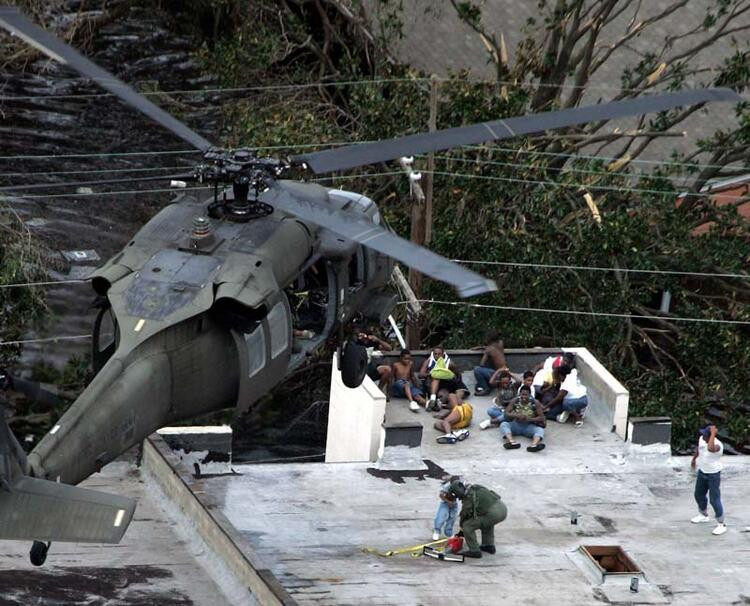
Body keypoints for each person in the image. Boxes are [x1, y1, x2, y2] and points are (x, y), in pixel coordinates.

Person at [447, 479, 507, 558]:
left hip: (493, 514)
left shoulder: (468, 496)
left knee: (467, 526)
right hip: (502, 509)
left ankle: (474, 550)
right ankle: (488, 546)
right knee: (486, 521)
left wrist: (462, 530)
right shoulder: (475, 487)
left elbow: (465, 514)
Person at [690, 424, 727, 536]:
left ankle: (721, 524)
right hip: (702, 472)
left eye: (706, 436)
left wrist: (713, 434)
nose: (703, 437)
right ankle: (703, 515)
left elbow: (710, 448)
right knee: (698, 494)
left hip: (713, 475)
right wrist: (694, 459)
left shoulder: (718, 445)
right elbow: (699, 449)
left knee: (714, 499)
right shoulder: (702, 439)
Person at [499, 385, 546, 452]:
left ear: (530, 395)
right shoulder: (515, 400)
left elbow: (542, 418)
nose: (524, 397)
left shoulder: (535, 402)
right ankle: (512, 442)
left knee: (540, 430)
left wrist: (528, 419)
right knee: (504, 424)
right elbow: (506, 413)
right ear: (519, 394)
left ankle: (534, 445)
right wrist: (516, 415)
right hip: (516, 424)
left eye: (526, 395)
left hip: (528, 426)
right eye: (522, 394)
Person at [419, 346, 465, 410]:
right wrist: (430, 374)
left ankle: (439, 404)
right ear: (433, 354)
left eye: (439, 354)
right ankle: (433, 398)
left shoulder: (449, 363)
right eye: (435, 354)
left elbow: (458, 374)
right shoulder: (428, 361)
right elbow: (420, 375)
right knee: (436, 378)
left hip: (444, 385)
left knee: (443, 395)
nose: (437, 355)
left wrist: (450, 377)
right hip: (431, 384)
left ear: (443, 354)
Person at [356, 328, 392, 396]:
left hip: (369, 368)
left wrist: (378, 340)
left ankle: (379, 390)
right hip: (358, 368)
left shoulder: (372, 343)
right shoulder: (356, 342)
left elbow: (389, 348)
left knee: (387, 369)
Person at [432, 475, 459, 541]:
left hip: (454, 503)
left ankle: (449, 533)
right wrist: (448, 502)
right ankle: (437, 532)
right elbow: (441, 495)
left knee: (452, 518)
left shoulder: (460, 485)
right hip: (445, 503)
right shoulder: (447, 486)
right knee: (441, 517)